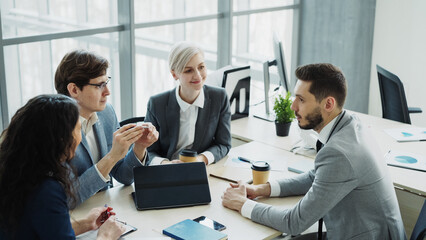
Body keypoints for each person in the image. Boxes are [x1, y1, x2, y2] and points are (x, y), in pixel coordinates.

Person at [222, 63, 406, 240]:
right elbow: (316, 177)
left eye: (301, 99)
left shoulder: (340, 153)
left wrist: (242, 204)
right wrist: (260, 189)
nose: (293, 106)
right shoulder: (349, 123)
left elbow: (293, 222)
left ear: (328, 104)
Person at [0, 94, 125, 239]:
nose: (80, 138)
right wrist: (106, 236)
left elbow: (42, 228)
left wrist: (85, 224)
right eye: (79, 129)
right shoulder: (48, 190)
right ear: (61, 139)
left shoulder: (18, 173)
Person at [55, 50, 159, 205]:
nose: (107, 92)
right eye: (99, 85)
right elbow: (69, 197)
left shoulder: (106, 113)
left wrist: (139, 147)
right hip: (73, 216)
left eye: (106, 83)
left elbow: (124, 176)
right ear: (74, 90)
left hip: (105, 207)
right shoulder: (54, 129)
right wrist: (112, 156)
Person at [145, 41, 231, 165]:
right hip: (167, 171)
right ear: (175, 74)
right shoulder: (157, 103)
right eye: (188, 70)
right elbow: (148, 150)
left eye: (201, 67)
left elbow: (224, 144)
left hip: (201, 169)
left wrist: (201, 159)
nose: (198, 76)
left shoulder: (219, 97)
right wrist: (165, 164)